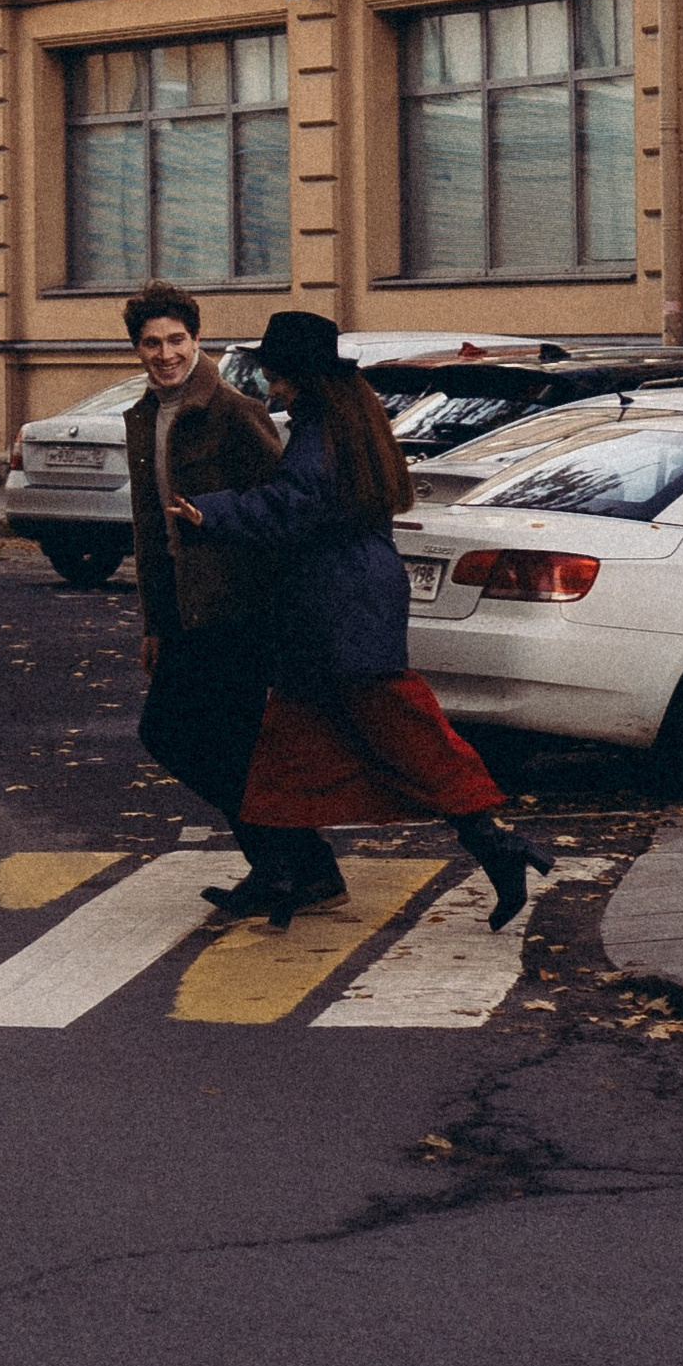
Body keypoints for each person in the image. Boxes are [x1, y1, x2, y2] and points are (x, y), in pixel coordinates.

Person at [173, 304, 553, 930]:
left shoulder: (324, 429)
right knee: (290, 750)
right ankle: (290, 875)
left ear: (297, 374)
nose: (270, 383)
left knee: (409, 738)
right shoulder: (342, 417)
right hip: (331, 607)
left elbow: (294, 507)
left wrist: (210, 514)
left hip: (340, 609)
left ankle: (497, 847)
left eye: (275, 372)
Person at [120, 282, 284, 840]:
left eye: (176, 340)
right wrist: (154, 625)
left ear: (197, 339)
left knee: (194, 737)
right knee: (187, 739)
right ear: (136, 349)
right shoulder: (144, 416)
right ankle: (291, 866)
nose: (166, 355)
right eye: (151, 343)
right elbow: (151, 534)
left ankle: (294, 866)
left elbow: (279, 507)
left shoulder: (235, 413)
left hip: (237, 610)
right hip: (183, 614)